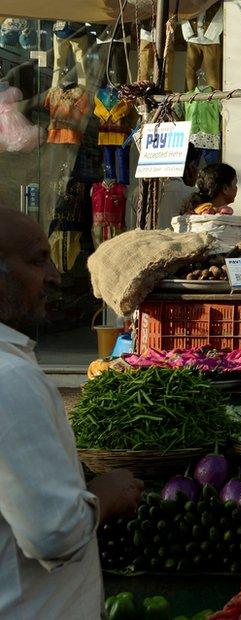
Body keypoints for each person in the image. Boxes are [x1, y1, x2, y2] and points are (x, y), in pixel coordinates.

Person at [0, 210, 143, 617]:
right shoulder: (9, 379)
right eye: (35, 260)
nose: (55, 276)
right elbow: (53, 534)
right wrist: (106, 495)